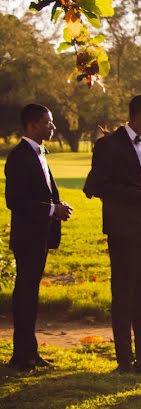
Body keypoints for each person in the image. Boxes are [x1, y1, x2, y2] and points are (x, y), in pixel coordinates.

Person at [83, 95, 141, 374]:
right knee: (123, 296)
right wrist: (140, 194)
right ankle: (124, 361)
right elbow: (96, 186)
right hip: (123, 231)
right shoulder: (109, 144)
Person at [4, 104, 73, 371]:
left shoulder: (39, 152)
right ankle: (22, 357)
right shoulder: (20, 156)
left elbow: (43, 191)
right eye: (48, 123)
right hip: (28, 237)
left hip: (40, 236)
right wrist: (52, 209)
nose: (53, 127)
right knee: (25, 295)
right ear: (32, 125)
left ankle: (29, 353)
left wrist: (57, 204)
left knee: (30, 295)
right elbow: (16, 201)